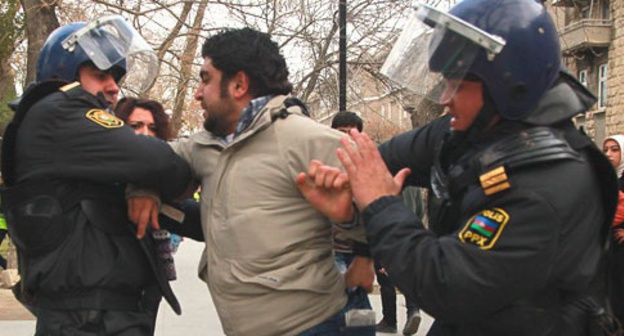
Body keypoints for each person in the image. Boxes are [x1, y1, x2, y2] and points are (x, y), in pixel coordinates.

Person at [300, 1, 619, 334]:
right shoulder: (473, 130)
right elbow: (386, 158)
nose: (445, 98)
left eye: (458, 85)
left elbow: (446, 285)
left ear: (509, 87)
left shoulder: (550, 186)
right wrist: (348, 189)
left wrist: (379, 204)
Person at [130, 28, 367, 336]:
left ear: (239, 84)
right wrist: (144, 188)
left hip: (315, 326)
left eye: (205, 79)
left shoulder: (308, 139)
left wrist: (358, 239)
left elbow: (386, 213)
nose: (198, 94)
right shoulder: (203, 145)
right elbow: (154, 161)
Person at [1, 15, 191, 335]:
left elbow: (135, 191)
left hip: (99, 314)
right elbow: (161, 163)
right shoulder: (59, 113)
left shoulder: (72, 135)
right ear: (64, 73)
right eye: (100, 74)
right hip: (87, 319)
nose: (114, 87)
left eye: (117, 77)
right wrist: (155, 176)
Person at [330, 111, 374, 310]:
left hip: (358, 248)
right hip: (332, 248)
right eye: (341, 132)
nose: (346, 137)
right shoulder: (324, 162)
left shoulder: (368, 165)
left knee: (357, 300)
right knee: (338, 298)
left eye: (351, 132)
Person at [375, 185, 423, 335]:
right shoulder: (414, 185)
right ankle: (413, 310)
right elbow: (420, 211)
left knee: (385, 279)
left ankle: (390, 320)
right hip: (411, 235)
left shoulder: (386, 181)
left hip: (388, 236)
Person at [603, 135, 624, 325]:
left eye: (614, 150)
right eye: (606, 150)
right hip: (608, 244)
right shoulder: (607, 178)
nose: (609, 154)